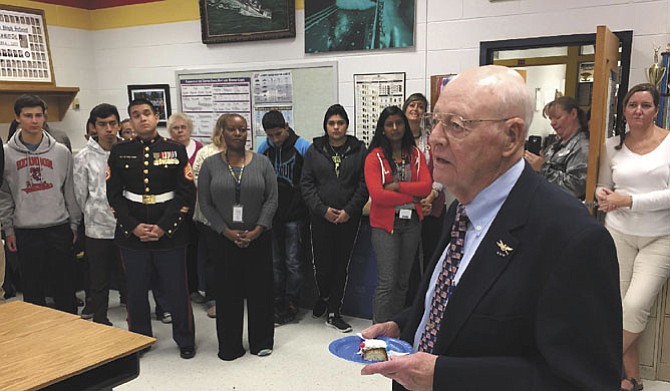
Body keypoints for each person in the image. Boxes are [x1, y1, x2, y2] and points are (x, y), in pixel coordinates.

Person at [361, 65, 622, 390]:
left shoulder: (572, 238)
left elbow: (586, 381)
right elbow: (453, 303)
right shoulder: (462, 208)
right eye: (435, 121)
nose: (436, 139)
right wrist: (403, 326)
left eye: (455, 125)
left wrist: (445, 377)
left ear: (511, 137)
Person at [106, 98, 196, 359]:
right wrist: (133, 227)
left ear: (157, 117)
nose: (142, 118)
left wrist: (163, 227)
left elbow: (185, 192)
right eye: (136, 115)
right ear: (130, 121)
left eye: (147, 113)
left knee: (177, 289)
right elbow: (113, 195)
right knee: (135, 292)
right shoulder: (120, 151)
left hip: (170, 233)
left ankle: (185, 339)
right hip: (132, 235)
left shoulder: (174, 149)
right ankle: (139, 339)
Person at [596, 83, 670, 391]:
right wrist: (604, 195)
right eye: (632, 105)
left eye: (645, 105)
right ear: (624, 110)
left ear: (656, 109)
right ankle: (632, 381)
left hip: (659, 237)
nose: (638, 110)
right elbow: (603, 187)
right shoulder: (611, 145)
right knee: (616, 306)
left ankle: (600, 365)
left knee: (635, 305)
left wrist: (630, 201)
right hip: (619, 234)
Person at [198, 113, 278, 360]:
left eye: (242, 129)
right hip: (224, 239)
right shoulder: (210, 165)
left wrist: (258, 229)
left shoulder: (263, 163)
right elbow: (205, 203)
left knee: (260, 292)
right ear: (222, 132)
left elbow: (272, 199)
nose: (237, 134)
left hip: (258, 237)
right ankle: (230, 346)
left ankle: (261, 341)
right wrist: (225, 230)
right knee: (227, 294)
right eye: (232, 129)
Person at [0, 94, 81, 314]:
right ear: (17, 118)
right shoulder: (6, 154)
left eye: (39, 115)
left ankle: (73, 333)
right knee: (33, 290)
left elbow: (69, 191)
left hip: (58, 226)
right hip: (25, 230)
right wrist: (8, 230)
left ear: (44, 118)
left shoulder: (61, 152)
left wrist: (73, 224)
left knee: (65, 287)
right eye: (28, 116)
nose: (34, 121)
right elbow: (5, 196)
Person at [301, 104, 368, 332]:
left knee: (341, 264)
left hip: (349, 218)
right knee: (322, 264)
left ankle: (333, 311)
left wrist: (349, 210)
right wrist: (322, 209)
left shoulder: (359, 150)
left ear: (346, 125)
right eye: (332, 123)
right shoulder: (315, 150)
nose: (336, 127)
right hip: (321, 217)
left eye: (340, 123)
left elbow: (363, 184)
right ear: (326, 126)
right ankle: (324, 294)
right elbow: (307, 184)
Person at [365, 106, 432, 324]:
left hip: (411, 223)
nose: (395, 128)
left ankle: (394, 328)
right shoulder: (374, 157)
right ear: (382, 129)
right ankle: (377, 336)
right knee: (387, 282)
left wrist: (398, 186)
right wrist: (409, 197)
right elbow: (378, 196)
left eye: (399, 123)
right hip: (385, 225)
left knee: (403, 282)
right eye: (389, 124)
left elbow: (426, 186)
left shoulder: (415, 154)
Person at [257, 110, 311, 325]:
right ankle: (277, 301)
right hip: (272, 216)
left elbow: (311, 180)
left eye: (278, 134)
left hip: (295, 216)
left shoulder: (303, 147)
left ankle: (292, 303)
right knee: (275, 262)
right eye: (270, 135)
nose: (275, 139)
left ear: (286, 127)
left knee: (293, 263)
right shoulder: (264, 148)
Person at [74, 103, 122, 325]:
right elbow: (80, 194)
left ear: (119, 124)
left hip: (126, 225)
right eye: (103, 124)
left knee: (131, 275)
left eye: (113, 123)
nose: (109, 129)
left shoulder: (128, 151)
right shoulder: (83, 156)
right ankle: (101, 319)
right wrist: (92, 215)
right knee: (99, 279)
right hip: (97, 227)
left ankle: (137, 318)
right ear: (94, 127)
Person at [402, 93, 451, 305]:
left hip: (433, 206)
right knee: (410, 261)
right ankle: (410, 306)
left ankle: (429, 304)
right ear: (404, 109)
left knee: (433, 257)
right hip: (407, 208)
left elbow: (441, 169)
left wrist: (430, 197)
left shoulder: (432, 139)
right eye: (411, 105)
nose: (416, 109)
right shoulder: (396, 141)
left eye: (420, 106)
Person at [192, 116, 228, 319]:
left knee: (230, 257)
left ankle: (230, 294)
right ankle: (212, 299)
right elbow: (198, 179)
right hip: (208, 215)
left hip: (234, 215)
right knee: (213, 258)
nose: (233, 133)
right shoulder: (206, 153)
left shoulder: (243, 152)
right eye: (228, 129)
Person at [167, 113, 204, 303]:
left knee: (195, 249)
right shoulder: (167, 150)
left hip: (196, 208)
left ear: (189, 129)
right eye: (175, 128)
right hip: (174, 208)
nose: (180, 131)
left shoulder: (200, 149)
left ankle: (195, 288)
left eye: (183, 127)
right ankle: (181, 288)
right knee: (177, 250)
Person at [525, 96, 589, 199]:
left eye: (558, 117)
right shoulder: (555, 144)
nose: (552, 123)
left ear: (573, 114)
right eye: (550, 118)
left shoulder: (582, 147)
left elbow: (576, 187)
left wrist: (542, 168)